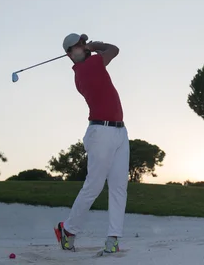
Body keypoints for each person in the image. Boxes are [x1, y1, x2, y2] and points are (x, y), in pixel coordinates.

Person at [54, 33, 130, 255]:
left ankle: (113, 239)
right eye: (78, 45)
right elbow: (114, 49)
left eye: (83, 43)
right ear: (70, 54)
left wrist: (90, 47)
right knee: (94, 186)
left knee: (118, 187)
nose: (83, 46)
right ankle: (67, 230)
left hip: (119, 131)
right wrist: (96, 46)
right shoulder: (89, 67)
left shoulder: (90, 64)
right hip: (101, 133)